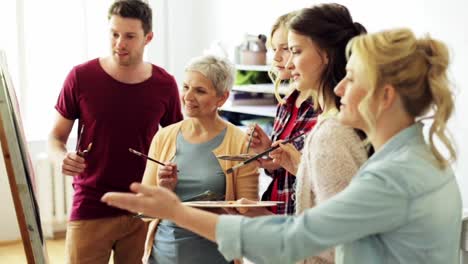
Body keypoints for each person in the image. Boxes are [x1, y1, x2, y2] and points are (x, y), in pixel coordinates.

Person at [101, 27, 462, 264]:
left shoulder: (391, 178)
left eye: (351, 79)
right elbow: (325, 234)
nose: (338, 89)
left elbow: (297, 239)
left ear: (385, 96)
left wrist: (179, 212)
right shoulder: (419, 160)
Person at [48, 1, 183, 263]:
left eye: (130, 36)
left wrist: (171, 170)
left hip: (143, 207)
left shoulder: (165, 84)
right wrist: (60, 158)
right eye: (114, 33)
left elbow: (177, 144)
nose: (119, 43)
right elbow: (55, 138)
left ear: (148, 38)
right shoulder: (80, 77)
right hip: (91, 205)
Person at [243, 5, 370, 263]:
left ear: (325, 55)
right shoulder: (331, 121)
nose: (286, 62)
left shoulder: (332, 131)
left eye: (295, 51)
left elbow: (336, 239)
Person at [139, 55, 259, 264]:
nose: (187, 96)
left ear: (221, 98)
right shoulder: (164, 137)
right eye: (186, 87)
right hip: (163, 255)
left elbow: (248, 214)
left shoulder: (241, 143)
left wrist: (224, 209)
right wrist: (163, 190)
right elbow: (145, 211)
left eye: (200, 90)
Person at [246, 10, 318, 216]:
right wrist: (268, 151)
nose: (277, 57)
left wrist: (292, 162)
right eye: (273, 49)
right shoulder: (286, 103)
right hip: (278, 210)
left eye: (286, 49)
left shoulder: (325, 109)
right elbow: (281, 169)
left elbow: (325, 181)